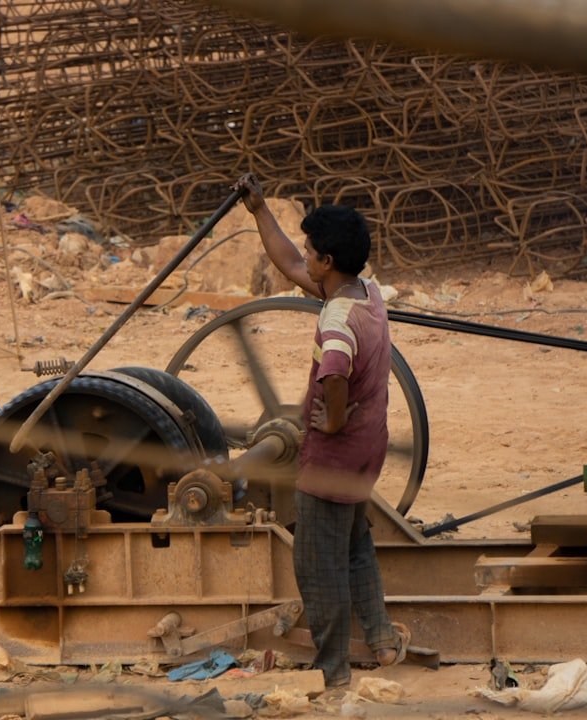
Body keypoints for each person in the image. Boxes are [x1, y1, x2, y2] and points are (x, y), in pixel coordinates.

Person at [232, 173, 409, 688]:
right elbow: (287, 263)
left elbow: (333, 370)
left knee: (316, 565)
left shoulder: (336, 321)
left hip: (332, 456)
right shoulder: (366, 293)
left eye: (312, 251)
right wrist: (260, 209)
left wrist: (330, 420)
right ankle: (378, 636)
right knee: (355, 543)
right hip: (367, 447)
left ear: (328, 263)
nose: (304, 257)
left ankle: (333, 672)